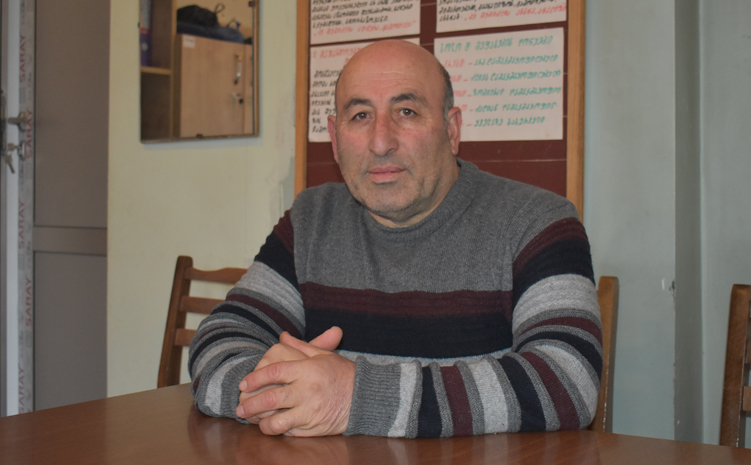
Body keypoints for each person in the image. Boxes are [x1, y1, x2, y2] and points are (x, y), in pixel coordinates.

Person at [188, 39, 601, 438]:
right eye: (360, 116)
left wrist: (356, 397)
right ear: (335, 139)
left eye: (406, 111)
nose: (381, 142)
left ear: (451, 130)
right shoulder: (312, 219)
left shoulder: (537, 221)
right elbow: (219, 342)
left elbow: (569, 380)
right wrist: (289, 393)